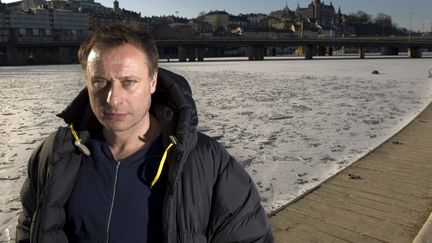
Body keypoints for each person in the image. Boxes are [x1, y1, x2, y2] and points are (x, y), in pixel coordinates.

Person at [16, 23, 273, 243]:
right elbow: (30, 228)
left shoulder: (209, 164)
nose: (113, 98)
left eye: (129, 82)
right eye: (100, 82)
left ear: (152, 81)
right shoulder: (55, 155)